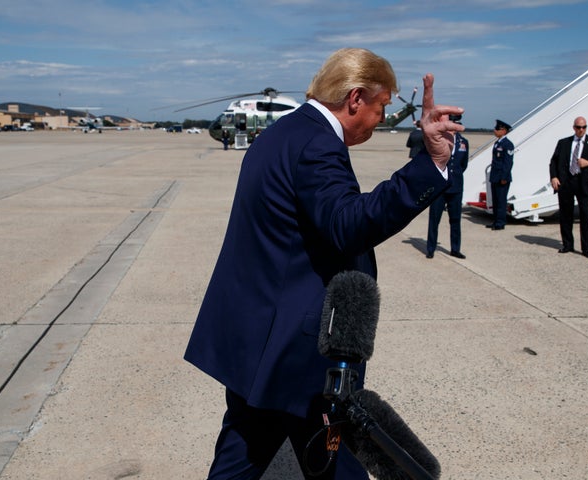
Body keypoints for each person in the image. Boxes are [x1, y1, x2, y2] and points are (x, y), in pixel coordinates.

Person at [184, 48, 464, 480]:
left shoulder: (282, 134)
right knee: (334, 459)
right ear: (355, 99)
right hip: (294, 351)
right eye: (381, 108)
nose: (381, 121)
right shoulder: (318, 144)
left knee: (243, 452)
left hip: (252, 334)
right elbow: (347, 225)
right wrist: (431, 165)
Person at [549, 116, 588, 259]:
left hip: (584, 183)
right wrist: (554, 177)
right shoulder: (564, 143)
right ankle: (567, 244)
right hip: (566, 183)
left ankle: (587, 248)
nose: (581, 130)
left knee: (586, 215)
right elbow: (553, 161)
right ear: (574, 128)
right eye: (578, 127)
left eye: (584, 127)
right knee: (566, 215)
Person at [426, 114, 469, 258]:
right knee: (434, 219)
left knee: (455, 219)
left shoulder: (464, 142)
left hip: (456, 187)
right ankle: (430, 248)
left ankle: (455, 249)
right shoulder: (439, 141)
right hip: (440, 188)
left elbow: (463, 165)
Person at [486, 119, 514, 230]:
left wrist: (504, 177)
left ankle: (500, 223)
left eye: (497, 129)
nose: (495, 130)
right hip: (495, 176)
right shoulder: (497, 143)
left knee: (501, 201)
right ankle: (495, 221)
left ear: (504, 131)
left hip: (502, 178)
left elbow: (508, 163)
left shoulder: (508, 144)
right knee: (496, 201)